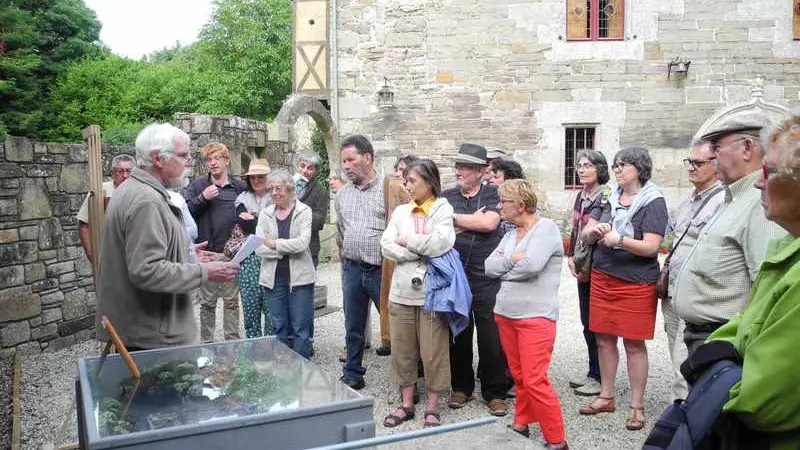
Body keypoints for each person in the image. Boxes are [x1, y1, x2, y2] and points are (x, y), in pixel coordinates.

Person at [96, 123, 239, 350]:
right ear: (158, 159)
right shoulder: (146, 201)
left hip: (146, 332)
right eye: (183, 155)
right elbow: (146, 270)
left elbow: (144, 254)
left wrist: (186, 253)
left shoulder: (137, 190)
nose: (190, 161)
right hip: (152, 339)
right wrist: (203, 272)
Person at [705, 115, 800, 449]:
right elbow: (743, 324)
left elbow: (762, 403)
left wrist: (713, 396)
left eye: (770, 171)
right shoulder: (788, 247)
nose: (760, 182)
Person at [674, 109, 786, 354]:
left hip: (723, 339)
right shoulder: (735, 194)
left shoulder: (760, 200)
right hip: (707, 336)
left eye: (716, 146)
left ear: (747, 147)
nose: (711, 156)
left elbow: (765, 290)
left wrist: (733, 348)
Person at [578, 147, 669, 432]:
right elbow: (585, 231)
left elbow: (652, 247)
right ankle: (606, 396)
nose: (617, 170)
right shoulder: (609, 196)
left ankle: (636, 405)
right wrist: (593, 232)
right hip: (604, 276)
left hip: (635, 281)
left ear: (639, 169)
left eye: (623, 165)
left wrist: (618, 240)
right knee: (604, 339)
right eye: (615, 165)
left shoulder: (654, 202)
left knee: (633, 344)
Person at [486, 179, 568, 450]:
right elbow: (489, 266)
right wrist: (512, 262)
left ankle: (557, 440)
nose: (499, 207)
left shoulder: (546, 229)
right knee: (520, 376)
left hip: (536, 316)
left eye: (503, 202)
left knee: (535, 380)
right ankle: (522, 423)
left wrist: (505, 270)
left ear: (520, 205)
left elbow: (531, 266)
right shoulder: (511, 235)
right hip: (506, 313)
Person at [380, 159, 455, 429]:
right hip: (401, 292)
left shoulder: (443, 210)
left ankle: (433, 406)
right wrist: (416, 251)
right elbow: (386, 245)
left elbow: (441, 242)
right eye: (406, 180)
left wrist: (408, 241)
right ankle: (407, 403)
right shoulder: (401, 212)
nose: (407, 186)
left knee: (433, 351)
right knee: (402, 349)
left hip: (432, 293)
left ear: (429, 182)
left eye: (412, 181)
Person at [442, 143, 509, 417]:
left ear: (482, 171)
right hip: (455, 276)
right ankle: (461, 387)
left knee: (491, 335)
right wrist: (467, 220)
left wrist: (456, 221)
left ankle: (495, 392)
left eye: (466, 166)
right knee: (458, 330)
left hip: (486, 276)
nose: (459, 170)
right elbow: (437, 227)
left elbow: (489, 224)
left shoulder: (494, 193)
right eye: (458, 165)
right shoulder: (445, 196)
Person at [336, 135, 408, 389]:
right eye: (343, 161)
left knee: (398, 325)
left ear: (367, 158)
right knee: (353, 324)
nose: (346, 166)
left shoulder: (392, 190)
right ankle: (353, 371)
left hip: (383, 270)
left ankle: (407, 378)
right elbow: (341, 231)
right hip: (352, 269)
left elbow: (408, 225)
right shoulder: (342, 194)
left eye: (350, 160)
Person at [661, 141, 725, 402]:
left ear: (717, 166)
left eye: (699, 163)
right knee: (675, 353)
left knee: (684, 360)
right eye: (689, 162)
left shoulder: (721, 200)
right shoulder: (688, 199)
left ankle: (683, 417)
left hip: (695, 293)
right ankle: (682, 408)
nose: (691, 168)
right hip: (673, 290)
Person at [185, 142, 247, 342]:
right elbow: (186, 214)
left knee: (231, 303)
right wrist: (203, 197)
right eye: (209, 160)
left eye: (216, 158)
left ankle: (232, 343)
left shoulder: (239, 186)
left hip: (230, 255)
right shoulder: (198, 186)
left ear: (226, 160)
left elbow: (249, 217)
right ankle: (207, 345)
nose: (212, 163)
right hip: (208, 255)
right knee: (207, 304)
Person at [254, 169, 316, 358]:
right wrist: (282, 250)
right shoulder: (265, 214)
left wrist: (274, 244)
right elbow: (258, 248)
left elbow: (302, 244)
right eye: (271, 189)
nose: (274, 193)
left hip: (300, 280)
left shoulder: (304, 211)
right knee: (278, 327)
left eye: (278, 188)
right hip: (274, 279)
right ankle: (283, 373)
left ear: (289, 189)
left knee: (300, 330)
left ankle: (302, 372)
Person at [566, 149, 610, 397]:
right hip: (584, 263)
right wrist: (571, 256)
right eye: (579, 166)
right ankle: (593, 372)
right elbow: (575, 229)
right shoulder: (581, 195)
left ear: (599, 169)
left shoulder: (605, 194)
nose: (582, 170)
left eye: (588, 165)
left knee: (597, 323)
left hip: (599, 265)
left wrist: (584, 263)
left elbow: (593, 229)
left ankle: (600, 376)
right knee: (586, 321)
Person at [234, 159, 273, 338]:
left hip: (272, 256)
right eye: (253, 177)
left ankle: (273, 351)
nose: (257, 180)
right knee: (250, 305)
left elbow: (273, 226)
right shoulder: (242, 198)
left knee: (272, 310)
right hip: (248, 256)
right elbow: (244, 225)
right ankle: (254, 352)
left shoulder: (275, 195)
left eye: (261, 177)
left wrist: (254, 219)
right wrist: (259, 221)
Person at [76, 154, 135, 263]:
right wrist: (91, 255)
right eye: (120, 171)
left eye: (129, 171)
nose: (125, 175)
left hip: (133, 255)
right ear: (113, 173)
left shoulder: (140, 192)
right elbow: (84, 224)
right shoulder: (99, 190)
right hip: (107, 255)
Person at [294, 153, 329, 268]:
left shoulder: (320, 191)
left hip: (308, 247)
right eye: (302, 166)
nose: (304, 171)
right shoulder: (287, 185)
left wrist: (297, 212)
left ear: (316, 172)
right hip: (286, 245)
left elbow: (319, 222)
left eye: (310, 168)